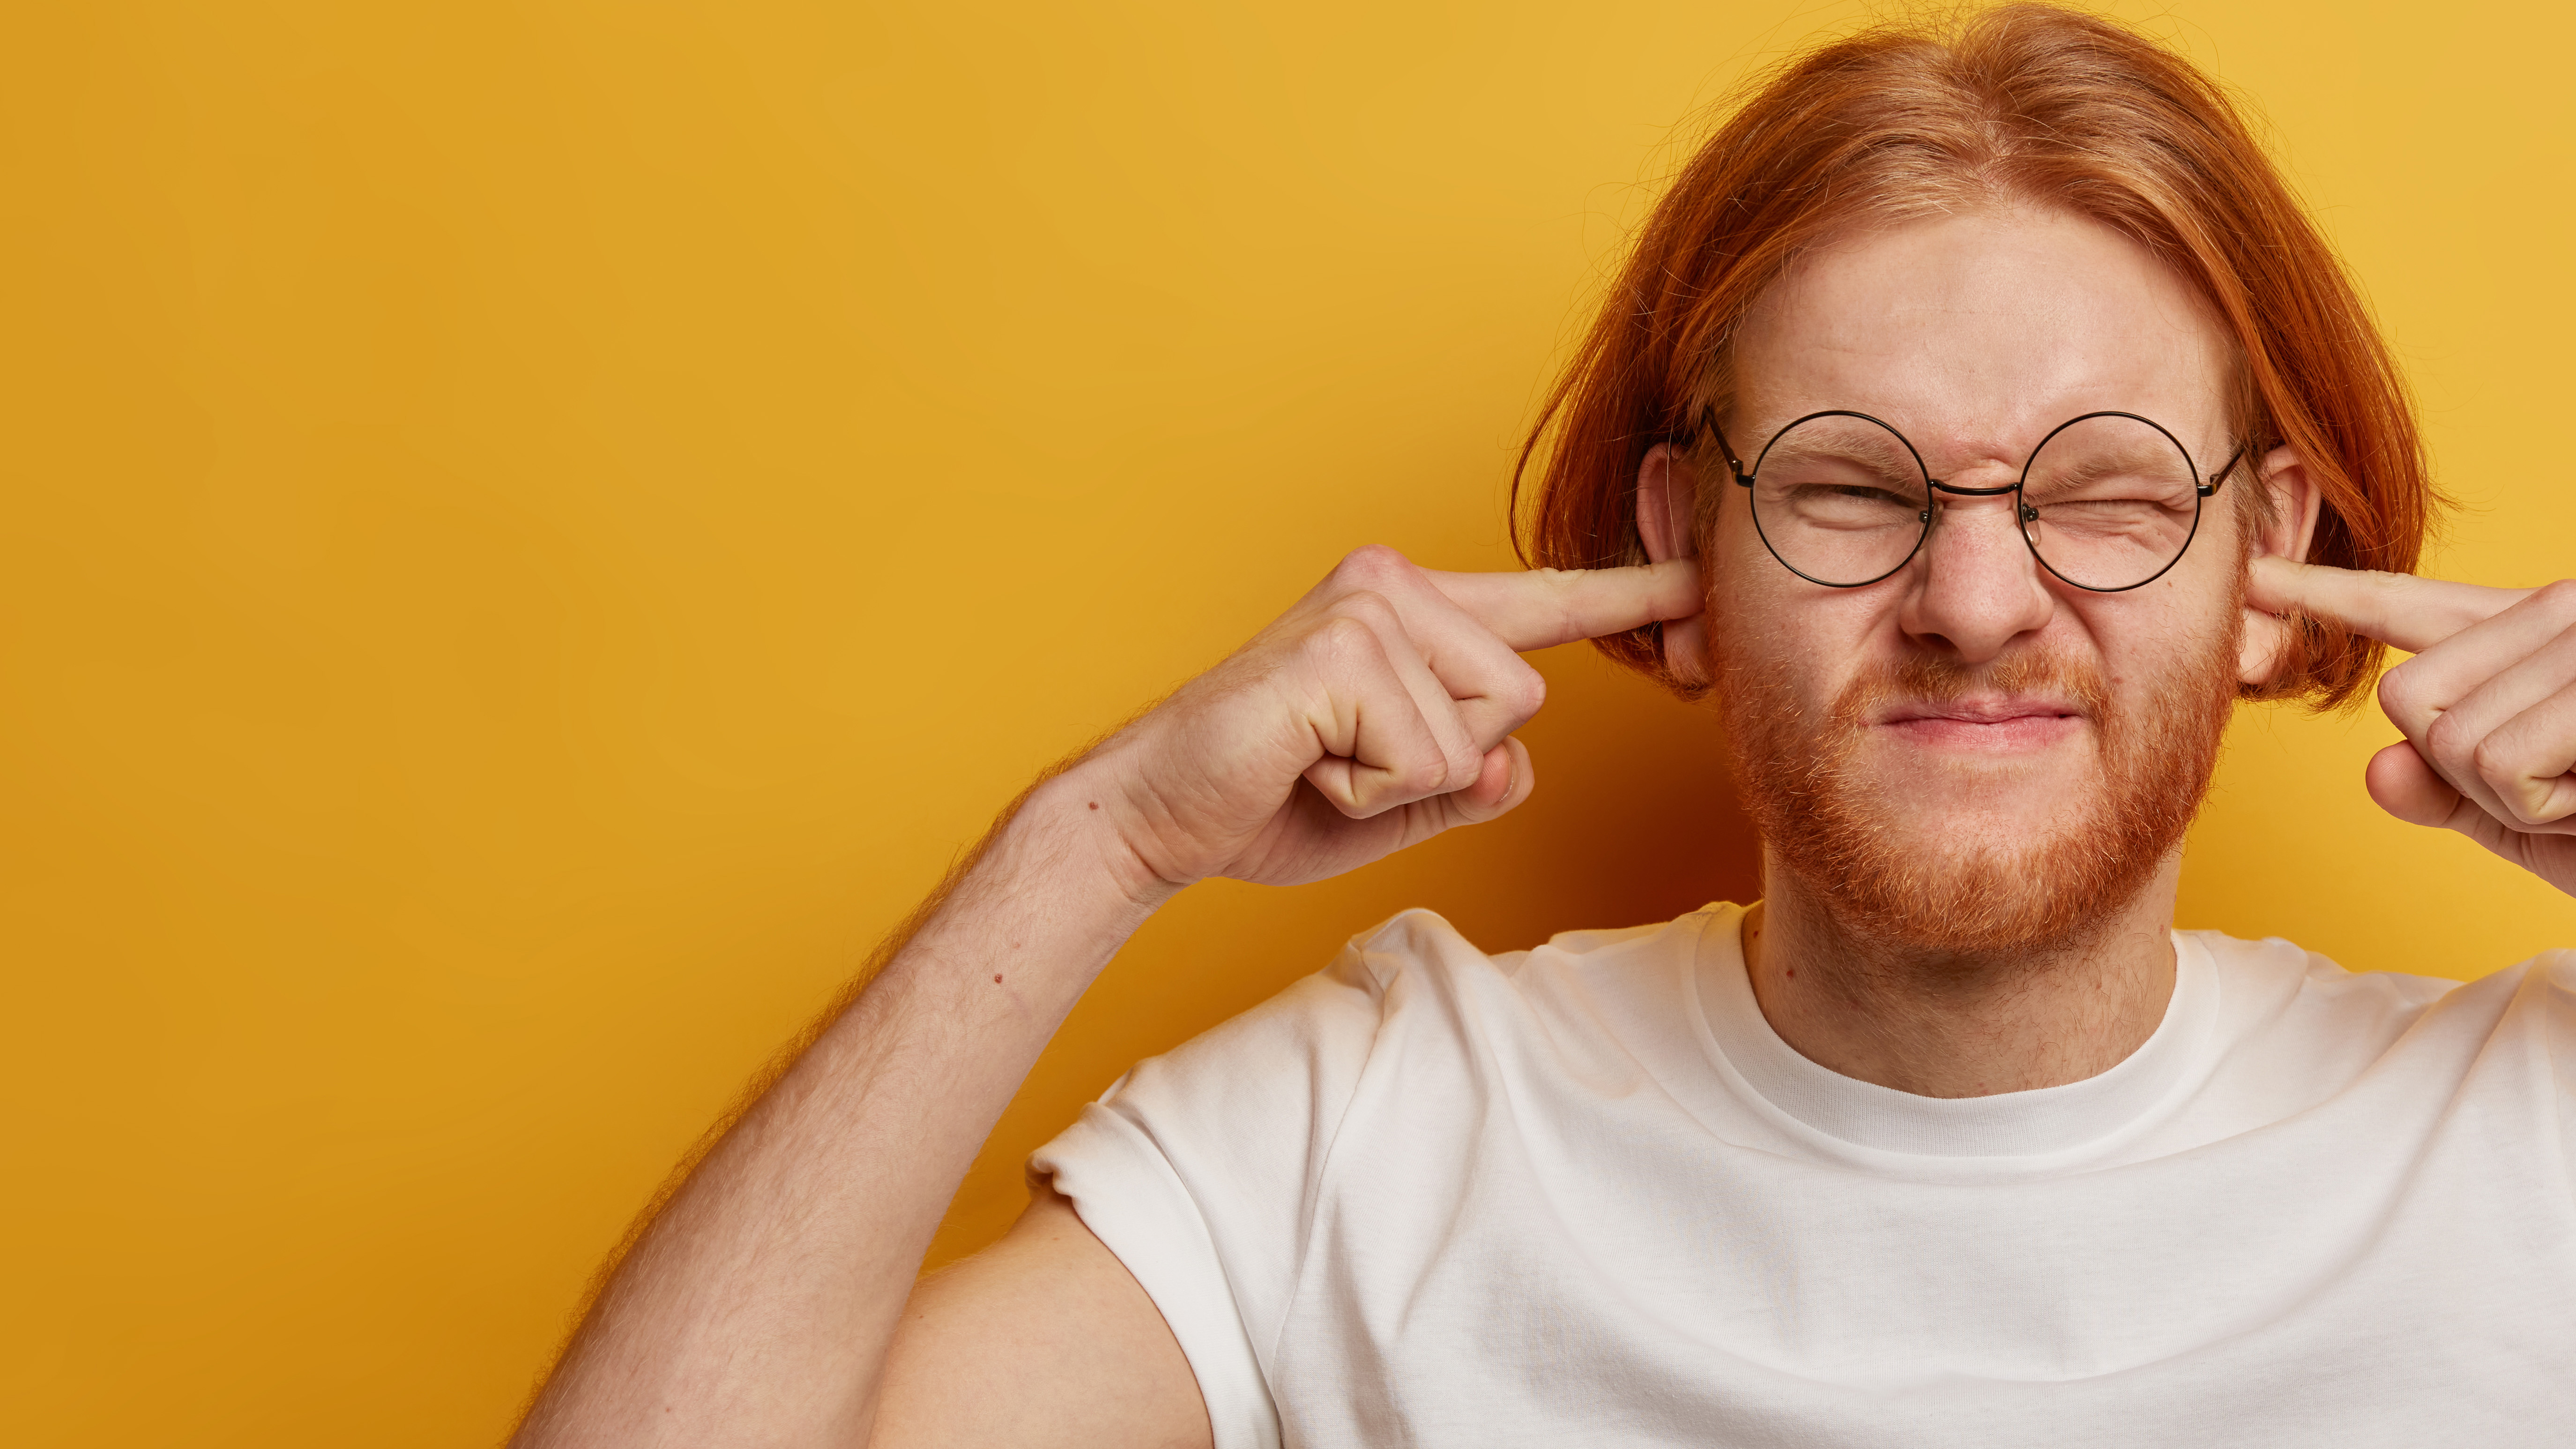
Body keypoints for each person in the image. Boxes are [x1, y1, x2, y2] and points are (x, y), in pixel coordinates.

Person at [513, 7, 2576, 1446]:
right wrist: (1097, 839)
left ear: (2262, 564)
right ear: (1682, 555)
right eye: (1851, 489)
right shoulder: (1376, 1136)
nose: (1970, 602)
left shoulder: (2529, 1143)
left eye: (2105, 487)